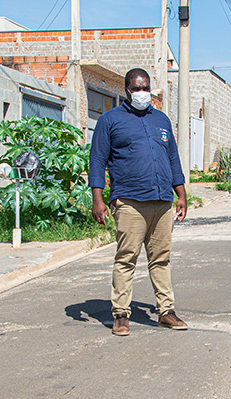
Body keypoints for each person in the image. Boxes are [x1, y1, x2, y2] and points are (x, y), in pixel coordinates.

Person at [88, 68, 188, 336]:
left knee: (161, 258)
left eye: (145, 88)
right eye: (136, 88)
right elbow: (97, 160)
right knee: (126, 258)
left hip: (162, 201)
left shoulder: (162, 120)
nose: (142, 93)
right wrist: (98, 199)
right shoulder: (110, 120)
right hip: (130, 201)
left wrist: (181, 193)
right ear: (127, 90)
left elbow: (172, 159)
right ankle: (121, 314)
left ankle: (165, 311)